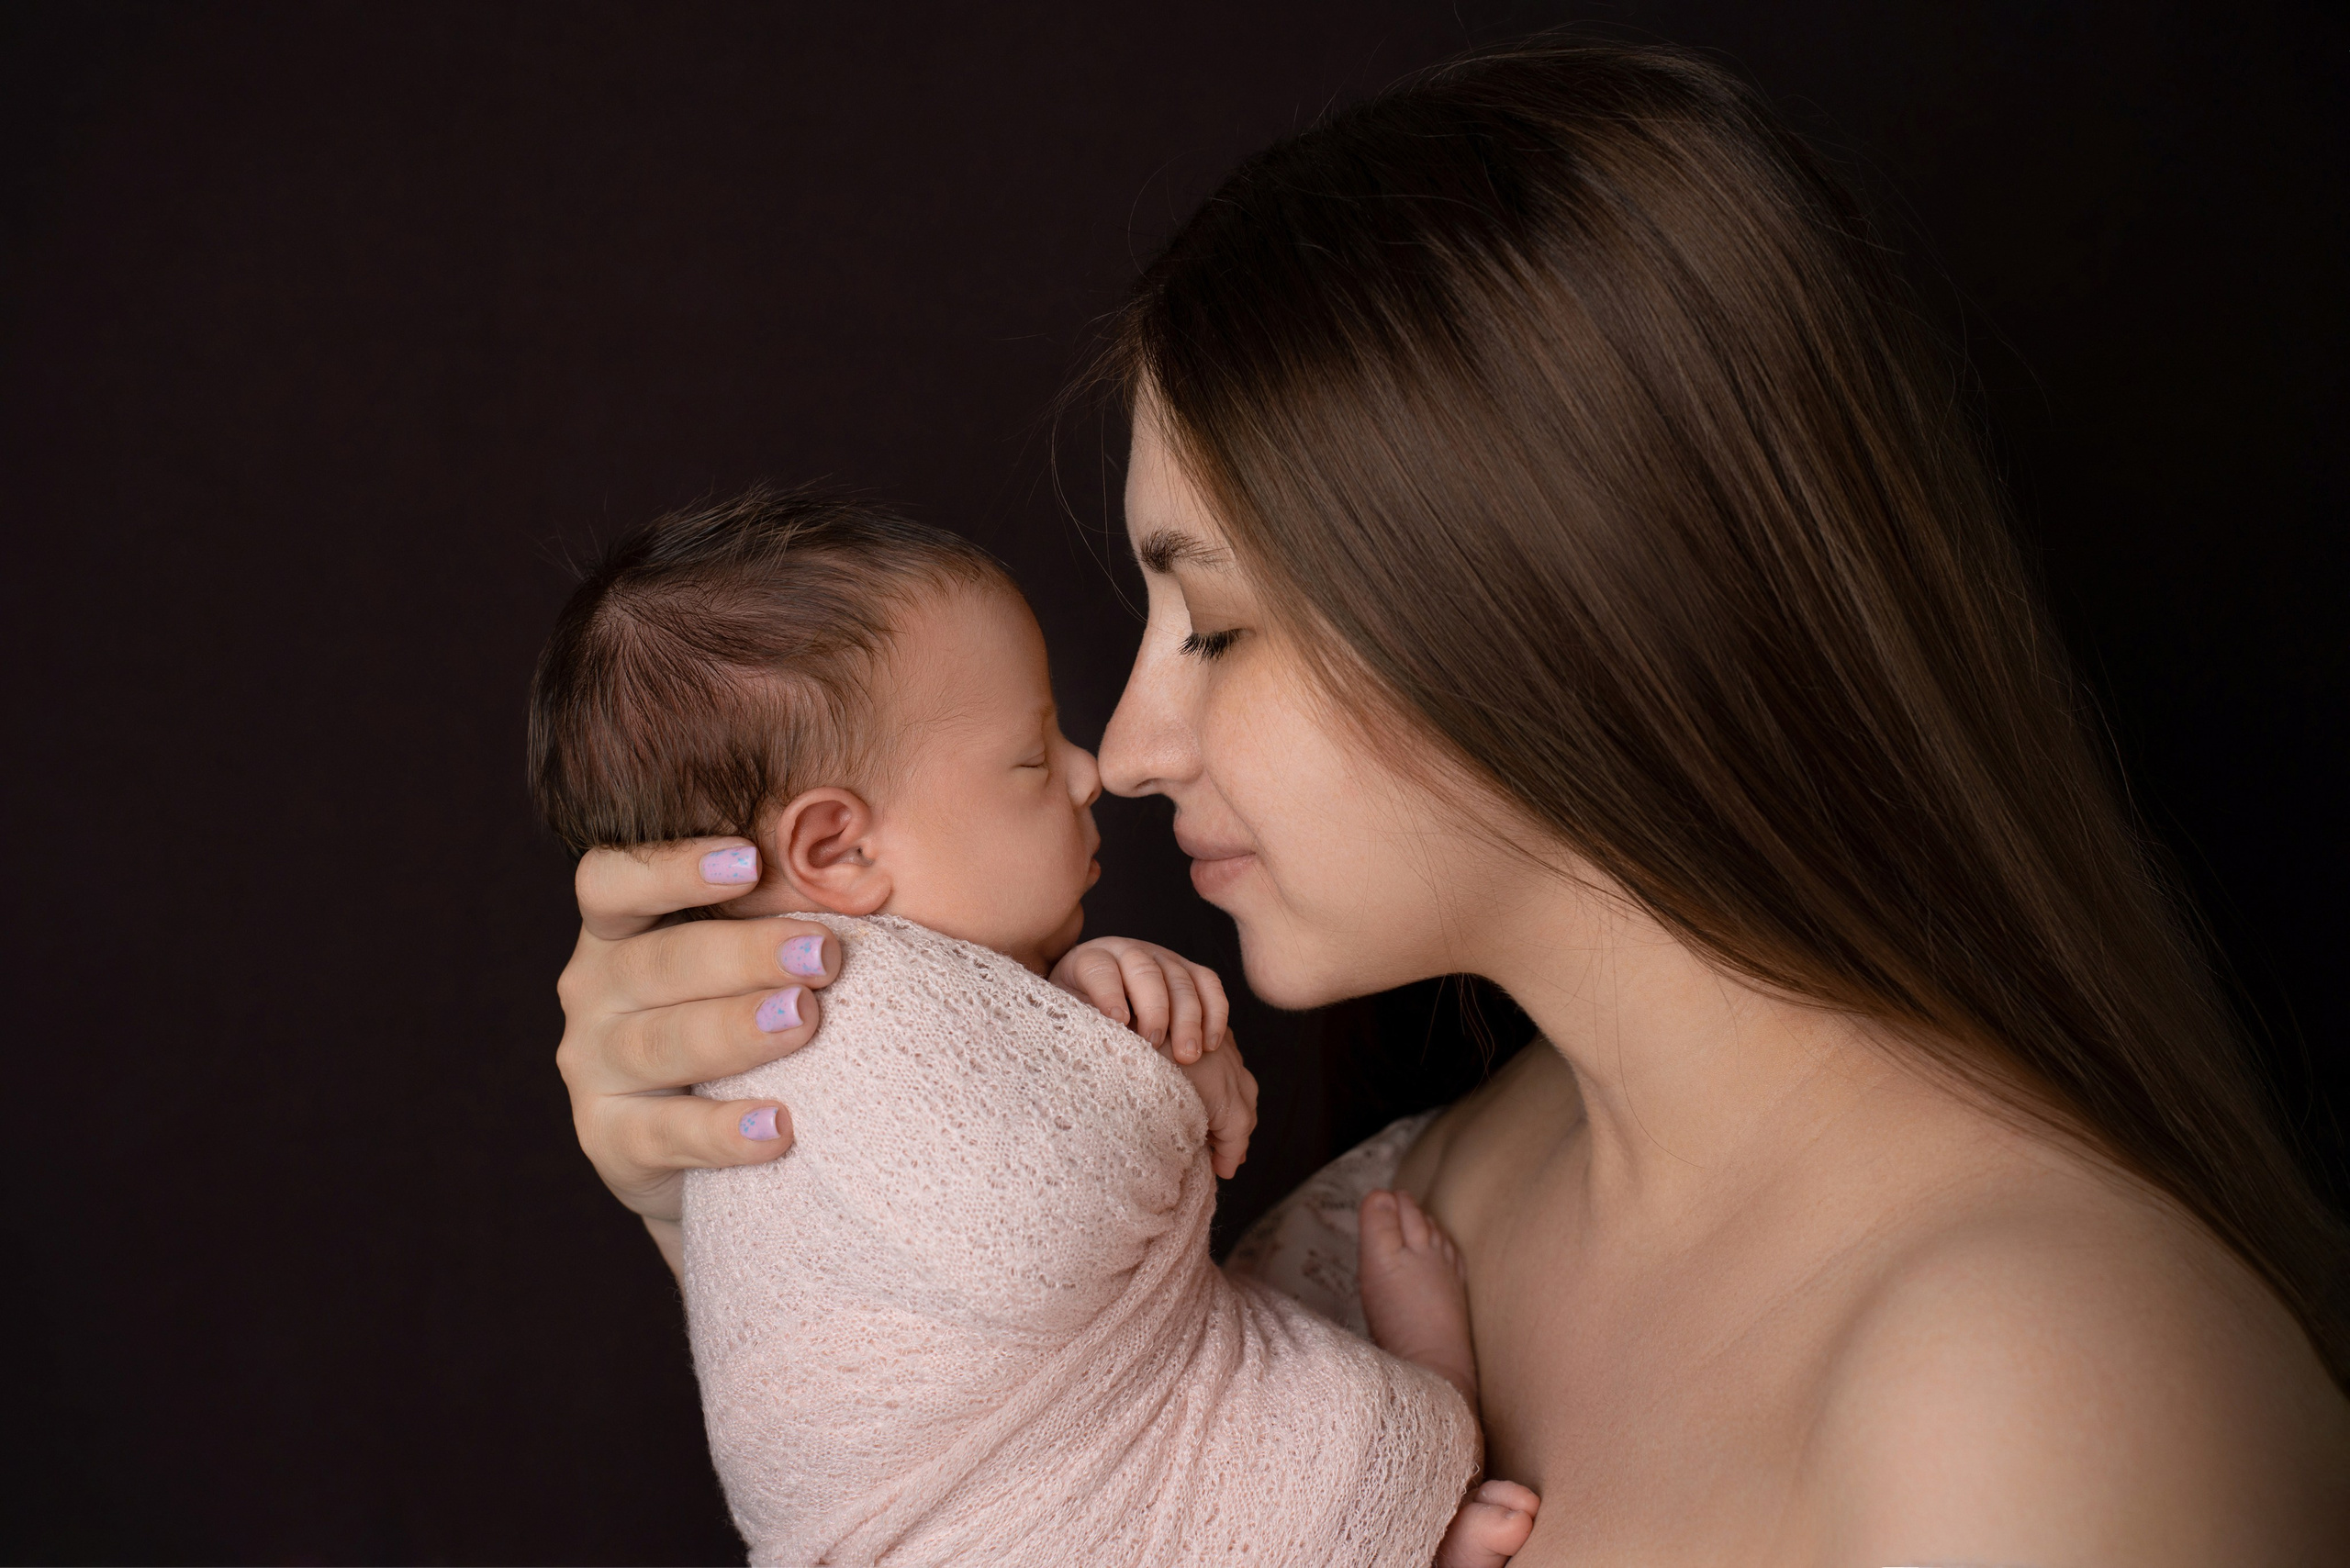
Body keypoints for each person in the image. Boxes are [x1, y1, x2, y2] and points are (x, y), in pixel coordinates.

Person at [549, 38, 2350, 1563]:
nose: (1139, 740)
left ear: (1557, 602)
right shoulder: (1426, 1190)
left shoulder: (2031, 1383)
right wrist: (760, 1199)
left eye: (1218, 623)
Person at [528, 491, 1536, 1565]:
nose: (1091, 768)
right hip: (968, 1516)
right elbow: (1028, 1225)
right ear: (836, 850)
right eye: (1028, 757)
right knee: (1328, 1440)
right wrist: (1163, 1082)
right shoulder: (841, 1011)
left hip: (1053, 1463)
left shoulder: (879, 1005)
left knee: (1255, 1426)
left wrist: (1099, 1016)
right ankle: (1409, 1479)